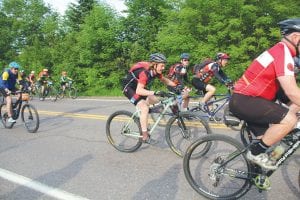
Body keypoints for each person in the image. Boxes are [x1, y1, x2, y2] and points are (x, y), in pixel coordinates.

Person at [229, 18, 300, 170]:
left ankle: (256, 173)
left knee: (269, 140)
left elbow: (286, 96)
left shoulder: (280, 51)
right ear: (296, 37)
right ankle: (254, 153)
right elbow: (292, 92)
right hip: (246, 100)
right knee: (289, 120)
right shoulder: (283, 53)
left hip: (249, 101)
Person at [122, 53, 176, 144]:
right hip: (129, 89)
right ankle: (145, 135)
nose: (163, 68)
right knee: (144, 108)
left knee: (157, 100)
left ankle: (146, 114)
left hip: (139, 87)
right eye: (162, 66)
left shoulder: (155, 72)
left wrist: (177, 86)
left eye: (164, 65)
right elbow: (139, 91)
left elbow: (165, 80)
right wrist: (154, 92)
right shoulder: (145, 73)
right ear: (154, 65)